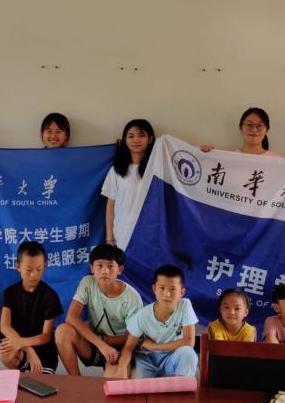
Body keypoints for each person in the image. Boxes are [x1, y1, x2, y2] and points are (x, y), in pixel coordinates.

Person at [54, 244, 143, 377]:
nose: (105, 271)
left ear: (120, 269)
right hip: (96, 343)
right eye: (99, 265)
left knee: (115, 382)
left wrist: (105, 342)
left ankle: (122, 370)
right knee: (62, 331)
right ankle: (76, 381)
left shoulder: (132, 297)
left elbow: (131, 338)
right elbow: (71, 317)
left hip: (122, 348)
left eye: (110, 266)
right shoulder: (88, 282)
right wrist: (101, 344)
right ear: (92, 268)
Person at [116, 264, 198, 379]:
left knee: (188, 354)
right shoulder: (142, 315)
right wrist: (121, 369)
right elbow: (128, 348)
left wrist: (154, 346)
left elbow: (189, 342)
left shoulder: (185, 305)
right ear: (154, 289)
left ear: (182, 292)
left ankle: (180, 388)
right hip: (147, 360)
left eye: (173, 289)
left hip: (172, 357)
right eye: (162, 288)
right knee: (139, 386)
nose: (167, 294)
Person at [0, 241, 64, 375]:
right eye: (28, 270)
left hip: (44, 355)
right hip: (22, 349)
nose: (34, 275)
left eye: (39, 269)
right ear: (18, 267)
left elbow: (46, 336)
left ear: (45, 265)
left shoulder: (50, 296)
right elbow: (4, 326)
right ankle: (21, 369)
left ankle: (30, 371)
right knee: (4, 351)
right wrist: (28, 349)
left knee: (38, 384)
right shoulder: (9, 292)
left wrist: (22, 343)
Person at [103, 119, 155, 249]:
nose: (136, 140)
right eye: (131, 136)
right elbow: (111, 204)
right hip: (121, 233)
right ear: (125, 141)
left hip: (150, 233)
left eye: (141, 135)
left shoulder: (157, 169)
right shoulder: (116, 170)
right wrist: (109, 238)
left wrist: (200, 152)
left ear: (150, 139)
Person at [0, 111, 72, 157]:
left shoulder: (74, 159)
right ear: (42, 134)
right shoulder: (33, 158)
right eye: (49, 131)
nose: (53, 136)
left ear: (66, 135)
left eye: (58, 131)